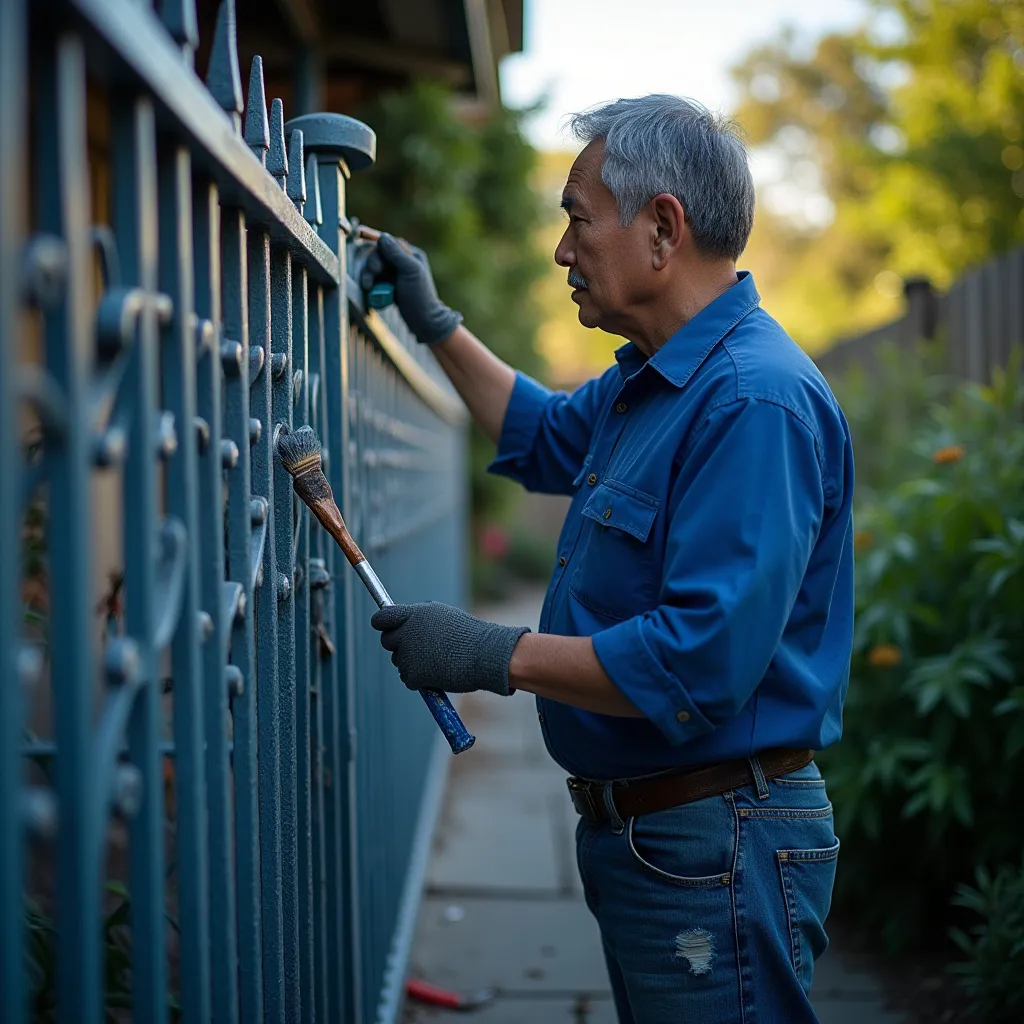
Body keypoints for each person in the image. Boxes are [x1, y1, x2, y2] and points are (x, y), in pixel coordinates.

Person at [369, 94, 854, 1024]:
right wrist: (436, 324)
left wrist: (488, 655)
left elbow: (696, 662)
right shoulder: (654, 377)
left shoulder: (752, 399)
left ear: (662, 229)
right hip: (664, 836)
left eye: (577, 220)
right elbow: (539, 432)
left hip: (717, 840)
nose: (562, 250)